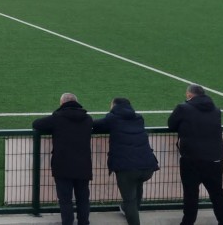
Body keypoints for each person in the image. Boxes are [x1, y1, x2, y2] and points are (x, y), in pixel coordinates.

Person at [168, 84, 223, 225]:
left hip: (191, 159)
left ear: (190, 95)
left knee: (191, 194)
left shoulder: (183, 108)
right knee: (217, 193)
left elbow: (171, 124)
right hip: (215, 159)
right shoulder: (216, 110)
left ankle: (188, 222)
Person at [93, 97, 159, 225]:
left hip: (127, 168)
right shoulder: (139, 118)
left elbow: (97, 126)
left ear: (114, 106)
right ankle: (130, 210)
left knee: (129, 200)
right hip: (148, 166)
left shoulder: (112, 118)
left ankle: (131, 214)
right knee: (138, 187)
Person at [33, 93, 93, 225]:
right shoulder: (88, 119)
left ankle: (68, 222)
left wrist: (56, 113)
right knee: (83, 198)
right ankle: (84, 222)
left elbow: (36, 124)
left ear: (62, 104)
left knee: (65, 199)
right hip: (83, 165)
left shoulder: (57, 118)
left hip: (63, 166)